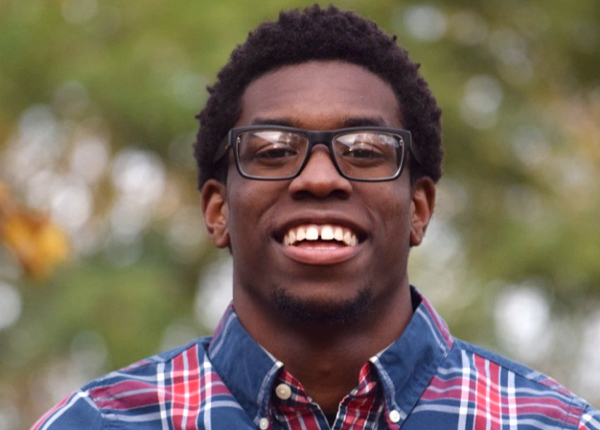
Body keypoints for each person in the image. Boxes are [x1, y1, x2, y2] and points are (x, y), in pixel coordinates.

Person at [32, 5, 599, 430]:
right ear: (218, 210)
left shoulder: (552, 424)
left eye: (365, 150)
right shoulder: (94, 422)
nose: (320, 178)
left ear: (419, 209)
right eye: (274, 150)